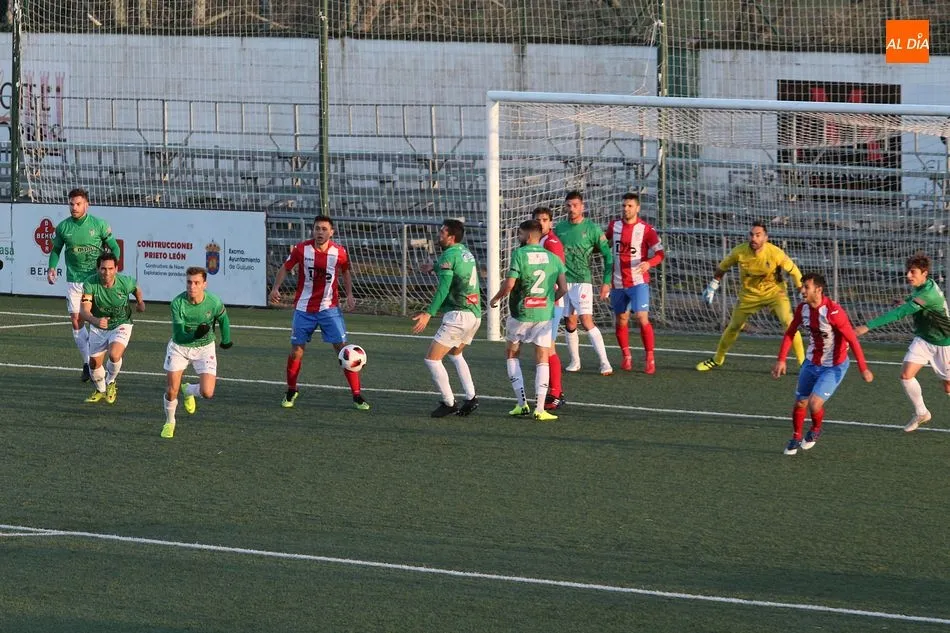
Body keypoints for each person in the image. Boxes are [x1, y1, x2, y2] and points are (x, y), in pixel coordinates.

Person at [268, 215, 369, 411]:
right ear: (312, 231)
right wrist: (275, 288)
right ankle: (291, 390)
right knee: (296, 351)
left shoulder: (339, 252)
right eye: (317, 228)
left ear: (331, 232)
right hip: (303, 308)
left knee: (344, 351)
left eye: (324, 229)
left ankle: (357, 394)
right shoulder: (301, 249)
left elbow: (346, 272)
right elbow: (286, 267)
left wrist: (349, 294)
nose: (320, 232)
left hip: (329, 308)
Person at [772, 272, 873, 455]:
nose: (802, 290)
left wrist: (863, 368)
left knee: (814, 403)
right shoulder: (802, 309)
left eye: (806, 287)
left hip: (834, 366)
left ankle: (816, 429)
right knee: (800, 403)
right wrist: (781, 359)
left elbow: (852, 339)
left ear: (818, 290)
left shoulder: (833, 312)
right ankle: (796, 437)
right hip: (811, 363)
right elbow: (790, 332)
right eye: (802, 287)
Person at [855, 253, 950, 432]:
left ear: (924, 273)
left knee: (947, 388)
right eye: (908, 271)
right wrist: (905, 301)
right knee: (906, 375)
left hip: (944, 343)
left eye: (913, 272)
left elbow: (900, 313)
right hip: (923, 339)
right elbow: (913, 302)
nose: (908, 275)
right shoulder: (923, 286)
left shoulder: (929, 294)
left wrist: (867, 326)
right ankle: (922, 412)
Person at [696, 222, 805, 371]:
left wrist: (802, 291)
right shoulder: (739, 252)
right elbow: (722, 267)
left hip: (775, 293)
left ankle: (804, 364)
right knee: (734, 326)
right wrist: (712, 286)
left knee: (789, 323)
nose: (754, 238)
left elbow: (795, 272)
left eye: (758, 235)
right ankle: (717, 359)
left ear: (765, 238)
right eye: (751, 235)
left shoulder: (775, 253)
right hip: (749, 295)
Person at [489, 220, 568, 422]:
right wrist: (549, 301)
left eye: (520, 233)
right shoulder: (553, 258)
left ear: (529, 235)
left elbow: (509, 284)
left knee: (512, 354)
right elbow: (563, 289)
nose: (518, 237)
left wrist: (496, 298)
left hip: (521, 314)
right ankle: (540, 409)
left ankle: (521, 403)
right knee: (542, 358)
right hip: (544, 315)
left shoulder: (519, 254)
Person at [47, 188, 122, 382]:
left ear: (86, 205)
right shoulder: (63, 227)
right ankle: (88, 364)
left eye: (78, 204)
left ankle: (101, 364)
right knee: (76, 320)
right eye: (71, 204)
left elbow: (114, 247)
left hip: (95, 281)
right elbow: (56, 250)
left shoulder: (99, 225)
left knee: (98, 323)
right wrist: (51, 267)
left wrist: (112, 269)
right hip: (74, 280)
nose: (74, 207)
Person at [411, 219, 481, 417]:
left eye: (442, 232)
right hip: (475, 314)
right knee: (456, 354)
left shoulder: (448, 256)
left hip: (459, 315)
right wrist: (434, 267)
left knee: (432, 360)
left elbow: (443, 289)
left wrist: (428, 314)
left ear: (451, 237)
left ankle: (449, 402)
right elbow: (455, 268)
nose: (439, 235)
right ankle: (471, 397)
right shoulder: (464, 252)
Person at [161, 267, 232, 439]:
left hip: (204, 348)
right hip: (180, 347)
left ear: (204, 284)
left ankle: (189, 390)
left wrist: (226, 340)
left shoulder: (213, 302)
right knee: (171, 390)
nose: (192, 286)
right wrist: (195, 334)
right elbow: (179, 335)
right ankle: (170, 421)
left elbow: (223, 319)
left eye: (197, 283)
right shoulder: (177, 303)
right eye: (189, 282)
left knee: (207, 392)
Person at [553, 190, 614, 375]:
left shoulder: (592, 229)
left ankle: (605, 362)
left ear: (582, 207)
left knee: (586, 320)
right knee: (569, 322)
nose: (572, 209)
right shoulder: (560, 229)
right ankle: (575, 361)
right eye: (568, 205)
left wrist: (606, 281)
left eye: (575, 205)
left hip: (582, 281)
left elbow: (608, 256)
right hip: (564, 281)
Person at [605, 192, 664, 374]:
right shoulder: (614, 226)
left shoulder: (646, 229)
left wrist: (649, 263)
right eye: (624, 205)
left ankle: (650, 358)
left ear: (637, 208)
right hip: (617, 282)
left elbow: (660, 254)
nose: (626, 209)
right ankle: (626, 356)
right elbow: (605, 243)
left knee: (641, 317)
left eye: (630, 206)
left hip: (638, 281)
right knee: (621, 319)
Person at [79, 253, 145, 404]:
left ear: (116, 269)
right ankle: (101, 390)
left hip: (121, 323)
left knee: (114, 354)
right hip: (98, 327)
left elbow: (136, 287)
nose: (107, 272)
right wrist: (96, 320)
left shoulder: (125, 282)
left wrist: (140, 302)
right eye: (103, 268)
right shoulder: (90, 284)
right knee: (94, 365)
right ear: (97, 269)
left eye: (110, 268)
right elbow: (84, 311)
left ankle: (111, 382)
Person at [533, 206, 566, 410]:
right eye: (538, 219)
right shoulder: (538, 242)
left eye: (545, 220)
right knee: (542, 348)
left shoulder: (551, 243)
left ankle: (555, 393)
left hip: (551, 302)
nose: (541, 223)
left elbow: (559, 272)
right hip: (541, 302)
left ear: (551, 222)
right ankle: (552, 391)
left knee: (548, 347)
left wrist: (552, 298)